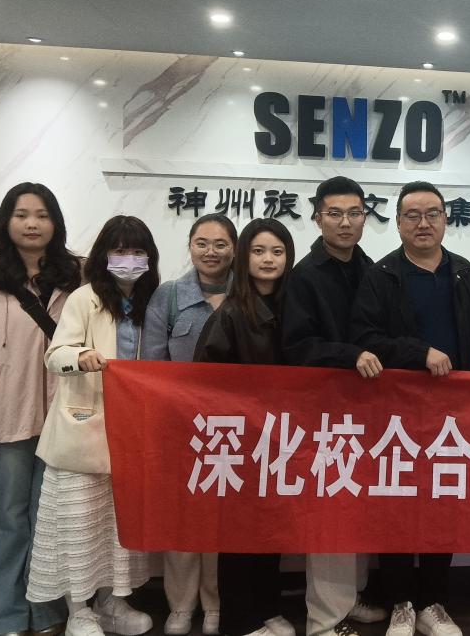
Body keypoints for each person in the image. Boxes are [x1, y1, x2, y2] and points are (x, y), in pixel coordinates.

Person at [351, 182, 470, 636]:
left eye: (433, 213)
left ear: (446, 219)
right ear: (397, 222)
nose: (423, 223)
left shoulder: (463, 271)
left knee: (443, 505)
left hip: (453, 414)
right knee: (396, 506)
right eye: (412, 215)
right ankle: (401, 603)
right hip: (396, 414)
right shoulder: (381, 275)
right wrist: (420, 352)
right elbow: (366, 337)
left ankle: (433, 602)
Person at [26, 215, 160, 636]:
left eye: (137, 252)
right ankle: (79, 611)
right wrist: (79, 356)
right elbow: (54, 355)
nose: (129, 259)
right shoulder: (84, 299)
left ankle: (112, 604)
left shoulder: (153, 300)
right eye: (120, 251)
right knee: (80, 526)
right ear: (104, 255)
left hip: (132, 433)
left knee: (117, 527)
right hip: (83, 430)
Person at [0, 183, 81, 636]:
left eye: (42, 215)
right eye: (22, 214)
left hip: (66, 421)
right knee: (10, 522)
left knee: (51, 523)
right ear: (6, 222)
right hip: (9, 422)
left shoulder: (78, 277)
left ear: (56, 223)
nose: (32, 224)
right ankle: (5, 616)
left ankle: (46, 613)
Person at [281, 176, 386, 636]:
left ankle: (350, 598)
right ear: (317, 217)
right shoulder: (305, 276)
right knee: (328, 511)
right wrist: (351, 355)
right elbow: (297, 345)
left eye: (354, 213)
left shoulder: (371, 269)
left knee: (358, 508)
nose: (346, 222)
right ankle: (324, 619)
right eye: (335, 214)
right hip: (321, 412)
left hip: (366, 409)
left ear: (365, 217)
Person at [194, 218, 297, 636]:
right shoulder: (231, 312)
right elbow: (205, 383)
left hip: (283, 440)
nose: (268, 259)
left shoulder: (295, 309)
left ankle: (267, 608)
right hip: (240, 441)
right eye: (258, 251)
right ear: (243, 257)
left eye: (277, 251)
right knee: (239, 534)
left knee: (271, 529)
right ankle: (239, 620)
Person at [142, 213, 238, 636]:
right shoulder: (168, 296)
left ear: (234, 249)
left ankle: (216, 603)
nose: (211, 252)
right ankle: (180, 605)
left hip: (234, 428)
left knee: (221, 521)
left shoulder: (247, 293)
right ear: (190, 246)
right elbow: (152, 364)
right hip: (180, 425)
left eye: (220, 244)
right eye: (202, 243)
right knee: (180, 517)